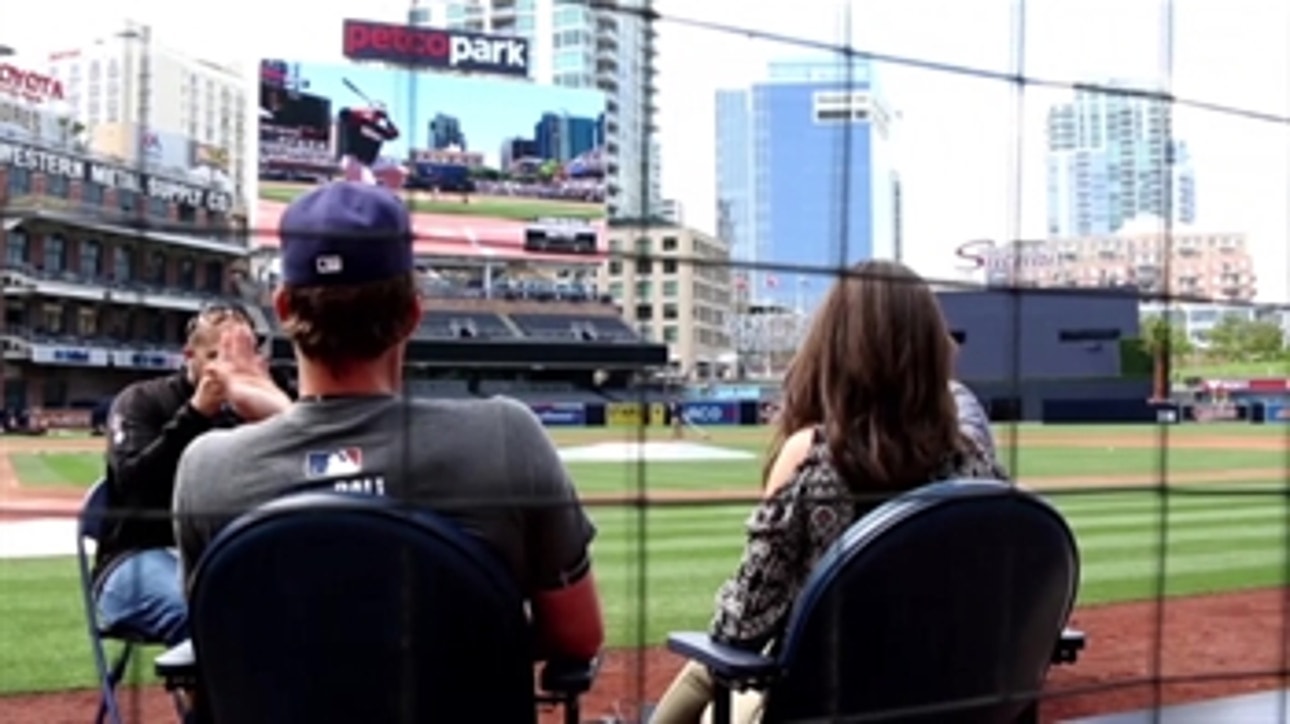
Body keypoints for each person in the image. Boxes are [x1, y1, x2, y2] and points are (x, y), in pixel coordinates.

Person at [172, 180, 604, 663]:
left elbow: (214, 657)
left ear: (283, 308)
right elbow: (576, 638)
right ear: (413, 313)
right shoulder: (508, 438)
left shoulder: (205, 469)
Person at [650, 260, 1008, 724]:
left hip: (824, 704)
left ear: (836, 347)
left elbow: (740, 626)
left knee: (706, 673)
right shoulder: (977, 466)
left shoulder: (813, 455)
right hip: (949, 703)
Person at [93, 305, 262, 646]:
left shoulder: (253, 408)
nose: (227, 368)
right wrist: (196, 415)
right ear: (189, 355)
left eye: (237, 356)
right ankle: (206, 699)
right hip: (136, 556)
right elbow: (132, 486)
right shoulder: (141, 400)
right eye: (215, 355)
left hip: (222, 554)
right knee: (206, 614)